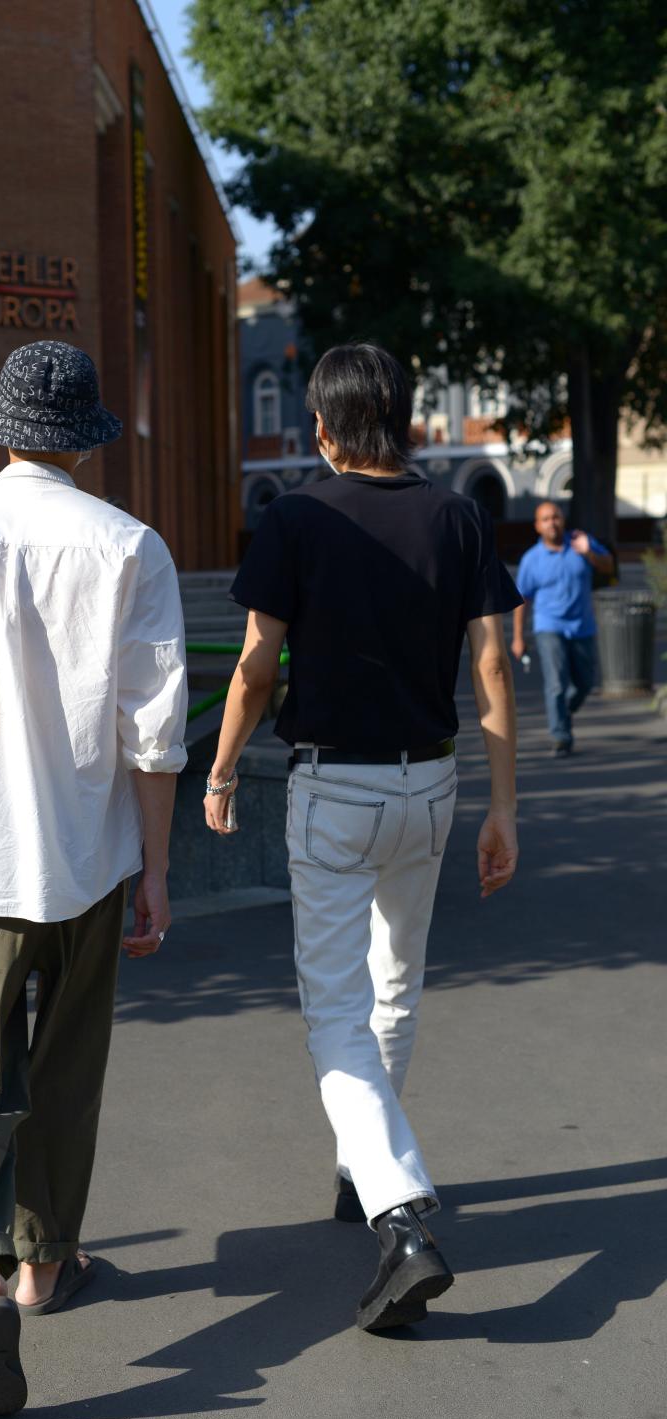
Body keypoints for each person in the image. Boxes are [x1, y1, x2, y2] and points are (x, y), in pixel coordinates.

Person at [0, 340, 188, 1418]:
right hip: (85, 858)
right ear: (86, 442)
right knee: (65, 1065)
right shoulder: (130, 545)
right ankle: (48, 1263)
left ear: (4, 431)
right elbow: (154, 734)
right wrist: (155, 867)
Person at [203, 343, 521, 1333]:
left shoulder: (296, 514)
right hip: (430, 779)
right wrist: (506, 807)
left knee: (335, 1011)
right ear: (410, 420)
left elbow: (257, 664)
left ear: (325, 430)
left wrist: (218, 768)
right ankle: (361, 1166)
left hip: (332, 784)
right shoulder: (459, 515)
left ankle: (400, 1211)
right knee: (394, 985)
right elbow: (495, 669)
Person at [511, 501, 614, 754]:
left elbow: (608, 567)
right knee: (556, 683)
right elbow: (521, 599)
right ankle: (561, 736)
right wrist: (517, 637)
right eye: (545, 519)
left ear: (562, 520)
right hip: (549, 626)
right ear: (537, 526)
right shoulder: (531, 560)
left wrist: (589, 552)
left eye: (555, 517)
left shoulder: (580, 543)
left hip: (582, 627)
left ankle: (561, 712)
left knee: (585, 684)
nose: (551, 523)